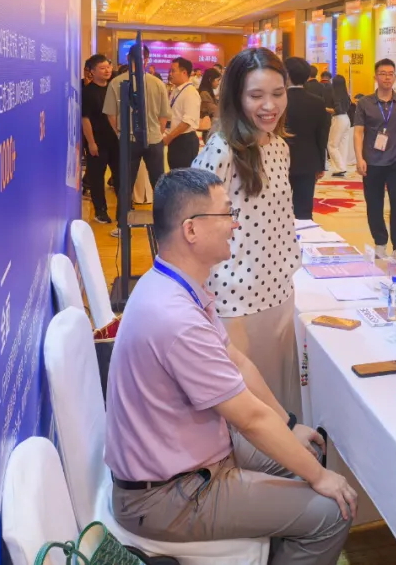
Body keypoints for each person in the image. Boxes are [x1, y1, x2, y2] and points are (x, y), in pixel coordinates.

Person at [105, 168, 355, 561]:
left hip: (196, 461)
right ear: (191, 230)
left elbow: (236, 362)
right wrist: (320, 477)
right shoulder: (176, 317)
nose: (235, 224)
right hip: (168, 497)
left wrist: (289, 425)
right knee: (332, 512)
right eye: (225, 214)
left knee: (306, 453)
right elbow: (250, 419)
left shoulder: (176, 284)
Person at [192, 48, 301, 415]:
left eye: (278, 93)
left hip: (279, 289)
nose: (270, 106)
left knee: (279, 397)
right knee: (248, 408)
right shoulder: (222, 150)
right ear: (236, 98)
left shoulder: (279, 147)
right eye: (256, 95)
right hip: (235, 298)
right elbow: (193, 222)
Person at [353, 58, 396, 264]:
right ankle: (380, 243)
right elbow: (358, 133)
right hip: (372, 162)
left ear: (395, 77)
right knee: (374, 204)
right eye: (383, 74)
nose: (387, 78)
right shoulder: (365, 103)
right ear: (375, 77)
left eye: (390, 74)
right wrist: (359, 158)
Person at [104, 45, 171, 235]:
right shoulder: (157, 83)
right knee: (159, 182)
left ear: (128, 58)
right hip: (154, 140)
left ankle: (122, 226)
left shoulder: (117, 82)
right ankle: (163, 224)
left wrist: (121, 133)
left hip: (129, 140)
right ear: (147, 60)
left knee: (125, 183)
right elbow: (164, 116)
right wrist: (156, 132)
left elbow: (111, 115)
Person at [283, 57, 331, 220]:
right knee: (304, 210)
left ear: (286, 75)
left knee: (278, 208)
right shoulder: (317, 102)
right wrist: (321, 163)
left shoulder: (279, 100)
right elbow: (322, 135)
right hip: (309, 160)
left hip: (280, 160)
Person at [82, 54, 119, 224]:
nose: (107, 71)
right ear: (92, 71)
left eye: (108, 67)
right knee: (97, 178)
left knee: (120, 175)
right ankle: (100, 211)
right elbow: (85, 119)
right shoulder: (88, 92)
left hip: (115, 141)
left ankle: (124, 209)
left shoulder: (113, 88)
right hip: (97, 142)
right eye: (102, 68)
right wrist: (91, 142)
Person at [165, 57, 202, 170]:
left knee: (183, 175)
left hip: (185, 141)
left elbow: (187, 122)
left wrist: (169, 137)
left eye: (173, 71)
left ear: (184, 72)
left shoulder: (190, 93)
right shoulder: (176, 90)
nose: (170, 74)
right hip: (175, 139)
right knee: (175, 172)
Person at [327, 74, 352, 177]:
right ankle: (342, 167)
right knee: (343, 145)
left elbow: (337, 110)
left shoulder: (334, 94)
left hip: (338, 119)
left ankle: (340, 168)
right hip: (346, 119)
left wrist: (325, 108)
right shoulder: (346, 94)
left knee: (332, 145)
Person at [198, 66, 222, 135]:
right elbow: (214, 110)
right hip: (208, 127)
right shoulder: (204, 93)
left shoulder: (208, 91)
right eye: (217, 80)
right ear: (210, 80)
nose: (218, 83)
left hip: (211, 127)